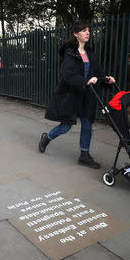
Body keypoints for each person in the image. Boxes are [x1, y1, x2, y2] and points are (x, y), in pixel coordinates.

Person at [38, 20, 116, 169]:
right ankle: (46, 138)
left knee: (87, 125)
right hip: (72, 95)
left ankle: (84, 155)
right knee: (66, 126)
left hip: (87, 96)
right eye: (83, 30)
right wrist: (85, 81)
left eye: (88, 30)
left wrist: (106, 79)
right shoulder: (70, 53)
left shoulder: (90, 53)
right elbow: (67, 75)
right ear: (76, 34)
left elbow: (97, 72)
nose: (87, 33)